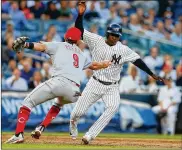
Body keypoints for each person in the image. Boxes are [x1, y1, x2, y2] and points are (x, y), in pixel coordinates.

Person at [69, 2, 165, 145]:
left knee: (113, 107)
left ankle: (90, 135)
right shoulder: (96, 40)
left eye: (117, 36)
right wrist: (81, 15)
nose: (114, 37)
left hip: (112, 86)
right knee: (76, 113)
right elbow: (79, 30)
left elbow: (137, 60)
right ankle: (73, 123)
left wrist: (151, 74)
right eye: (113, 34)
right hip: (95, 82)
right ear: (107, 33)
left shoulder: (123, 49)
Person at [5, 27, 111, 144]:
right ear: (77, 41)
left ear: (66, 36)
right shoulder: (81, 54)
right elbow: (94, 66)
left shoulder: (58, 45)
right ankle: (41, 127)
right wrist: (104, 64)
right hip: (74, 92)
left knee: (27, 103)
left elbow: (40, 47)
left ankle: (18, 134)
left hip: (59, 82)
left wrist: (25, 44)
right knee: (58, 103)